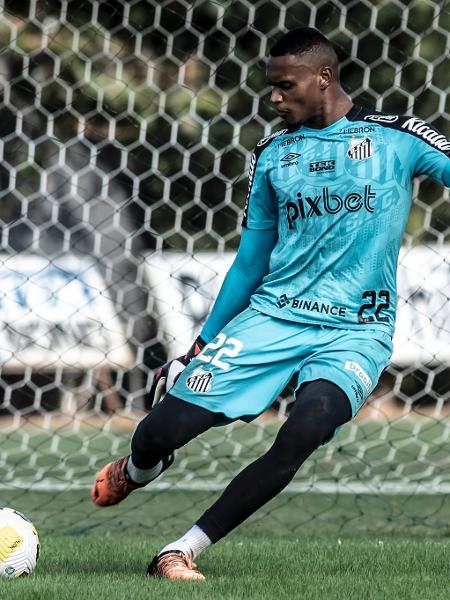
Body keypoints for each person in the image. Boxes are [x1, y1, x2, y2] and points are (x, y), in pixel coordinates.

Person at [91, 27, 450, 580]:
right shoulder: (274, 154)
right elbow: (251, 260)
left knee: (304, 430)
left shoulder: (396, 137)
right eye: (271, 87)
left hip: (357, 331)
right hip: (273, 318)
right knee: (164, 429)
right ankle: (140, 468)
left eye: (285, 86)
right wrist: (198, 346)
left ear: (324, 77)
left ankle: (180, 550)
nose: (274, 97)